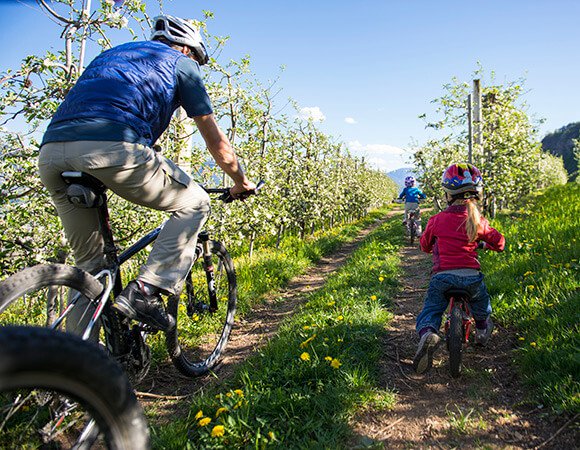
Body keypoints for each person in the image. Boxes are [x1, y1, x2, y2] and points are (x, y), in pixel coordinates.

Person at [38, 15, 255, 332]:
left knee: (90, 268)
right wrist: (241, 181)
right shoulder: (181, 63)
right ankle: (145, 292)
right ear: (185, 48)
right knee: (194, 203)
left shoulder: (112, 55)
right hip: (110, 149)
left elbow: (108, 104)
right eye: (196, 57)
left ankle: (73, 367)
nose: (195, 62)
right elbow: (216, 141)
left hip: (51, 154)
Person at [412, 163, 505, 374]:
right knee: (482, 307)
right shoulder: (478, 221)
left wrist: (433, 246)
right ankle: (481, 331)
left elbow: (424, 245)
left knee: (432, 309)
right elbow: (500, 243)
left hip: (442, 277)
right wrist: (484, 243)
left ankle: (428, 333)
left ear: (447, 194)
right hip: (471, 278)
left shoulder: (436, 220)